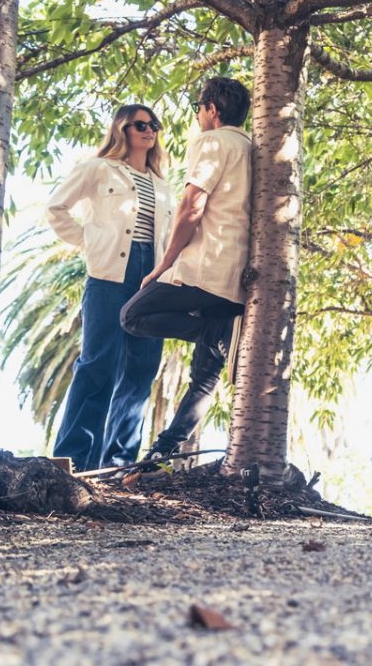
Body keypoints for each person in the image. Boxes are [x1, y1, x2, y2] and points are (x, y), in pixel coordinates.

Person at [120, 76, 252, 461]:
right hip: (234, 283)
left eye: (199, 107)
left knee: (132, 315)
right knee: (205, 380)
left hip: (205, 269)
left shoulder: (213, 141)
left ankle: (211, 338)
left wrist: (164, 263)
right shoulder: (253, 149)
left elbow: (192, 206)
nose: (197, 115)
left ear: (212, 109)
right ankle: (162, 453)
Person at [46, 104, 174, 471]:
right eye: (140, 125)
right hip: (108, 274)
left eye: (154, 125)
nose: (149, 130)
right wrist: (90, 242)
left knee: (142, 369)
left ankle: (119, 463)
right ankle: (72, 459)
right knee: (98, 363)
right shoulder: (98, 168)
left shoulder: (163, 186)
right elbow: (56, 208)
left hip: (152, 277)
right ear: (122, 129)